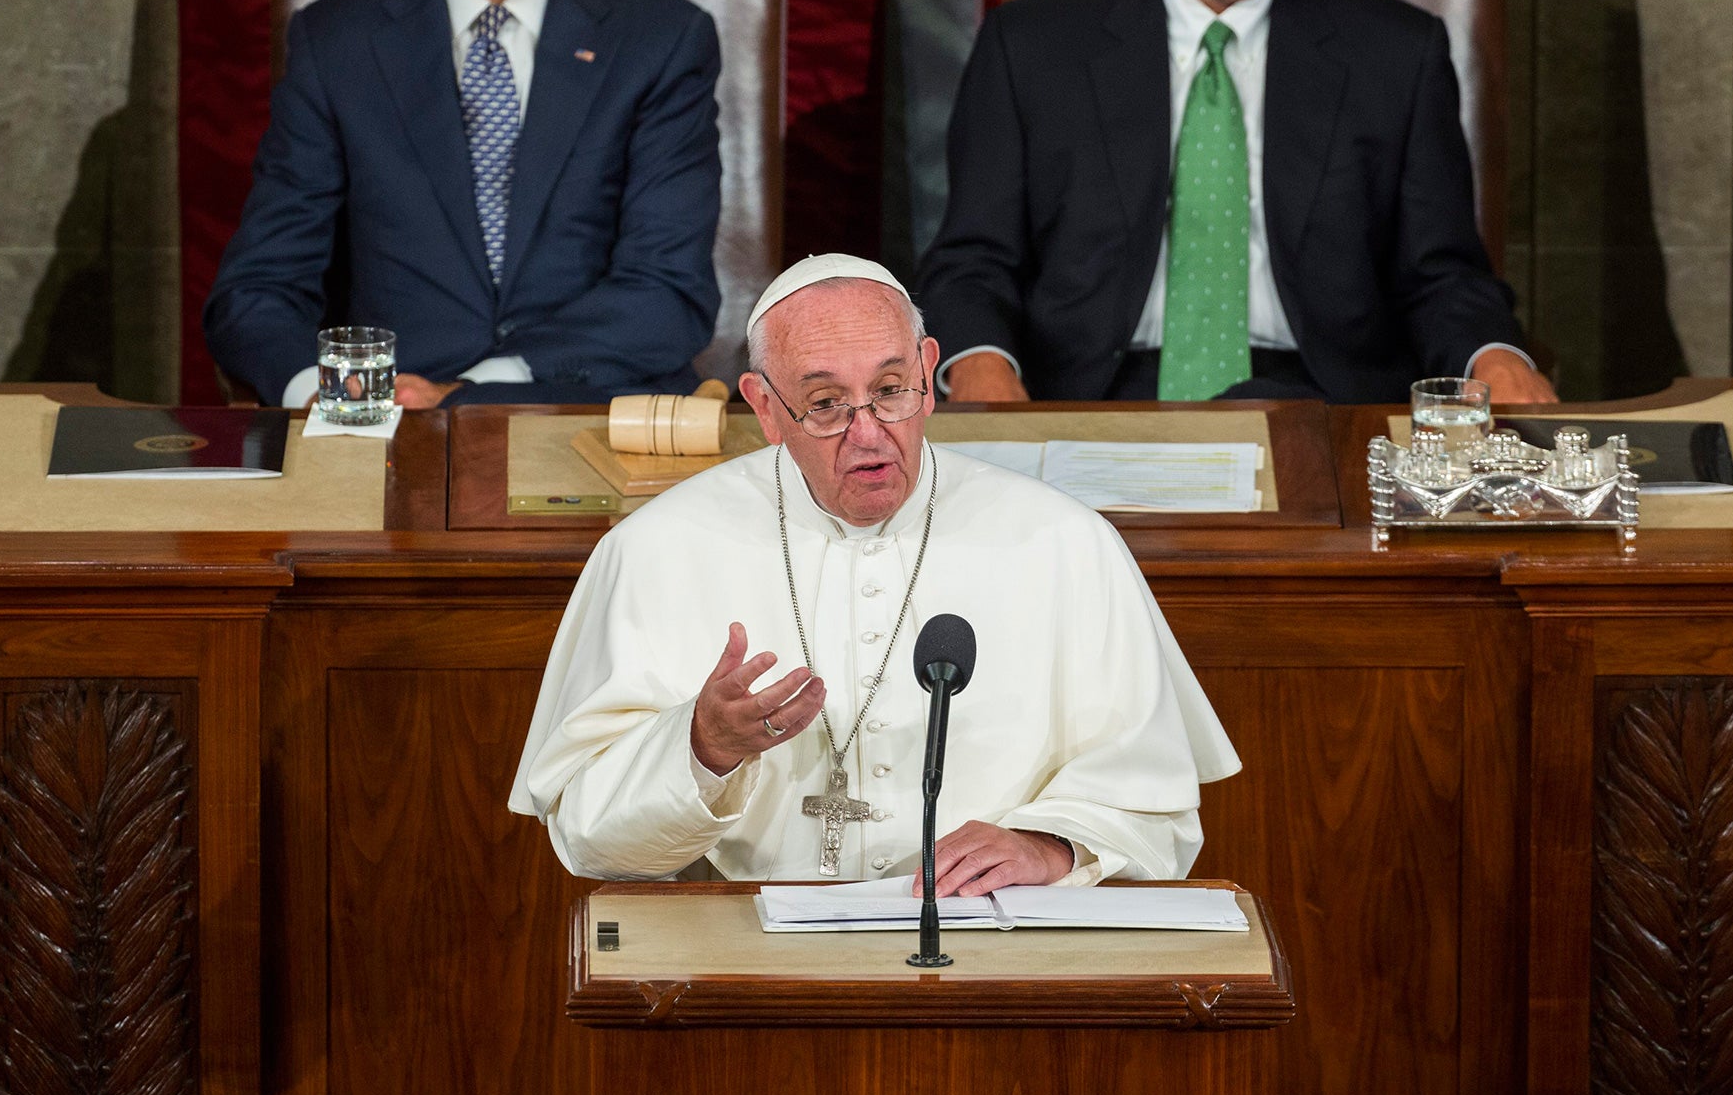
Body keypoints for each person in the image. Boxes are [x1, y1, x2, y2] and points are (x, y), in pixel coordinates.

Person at [510, 254, 1239, 886]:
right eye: (825, 405)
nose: (868, 435)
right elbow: (588, 838)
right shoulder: (658, 549)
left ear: (928, 371)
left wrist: (1048, 846)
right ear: (765, 407)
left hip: (994, 949)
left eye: (891, 392)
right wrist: (704, 749)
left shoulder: (1064, 543)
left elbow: (1158, 806)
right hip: (752, 960)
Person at [915, 0, 1558, 408]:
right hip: (1091, 400)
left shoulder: (1398, 56)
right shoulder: (1031, 50)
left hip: (1324, 403)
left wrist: (1496, 356)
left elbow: (1442, 276)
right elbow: (971, 264)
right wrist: (983, 368)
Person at [204, 0, 723, 409]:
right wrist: (332, 395)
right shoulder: (339, 44)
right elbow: (258, 290)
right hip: (390, 426)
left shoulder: (662, 42)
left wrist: (474, 389)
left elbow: (668, 292)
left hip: (585, 415)